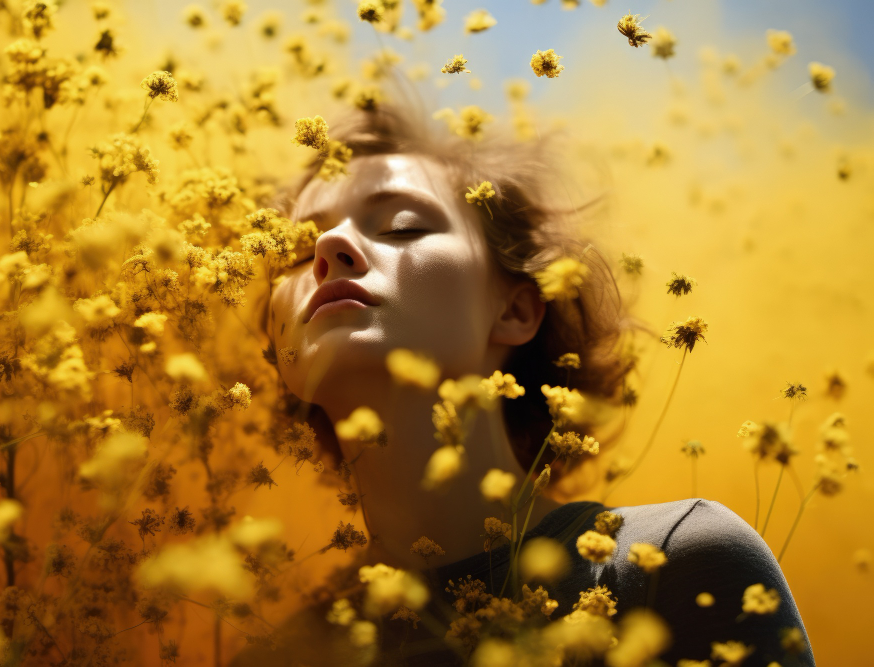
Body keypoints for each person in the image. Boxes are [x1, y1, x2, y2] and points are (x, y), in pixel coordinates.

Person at [234, 102, 815, 666]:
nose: (327, 246)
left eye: (402, 226)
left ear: (515, 310)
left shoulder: (674, 564)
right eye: (296, 250)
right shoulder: (281, 658)